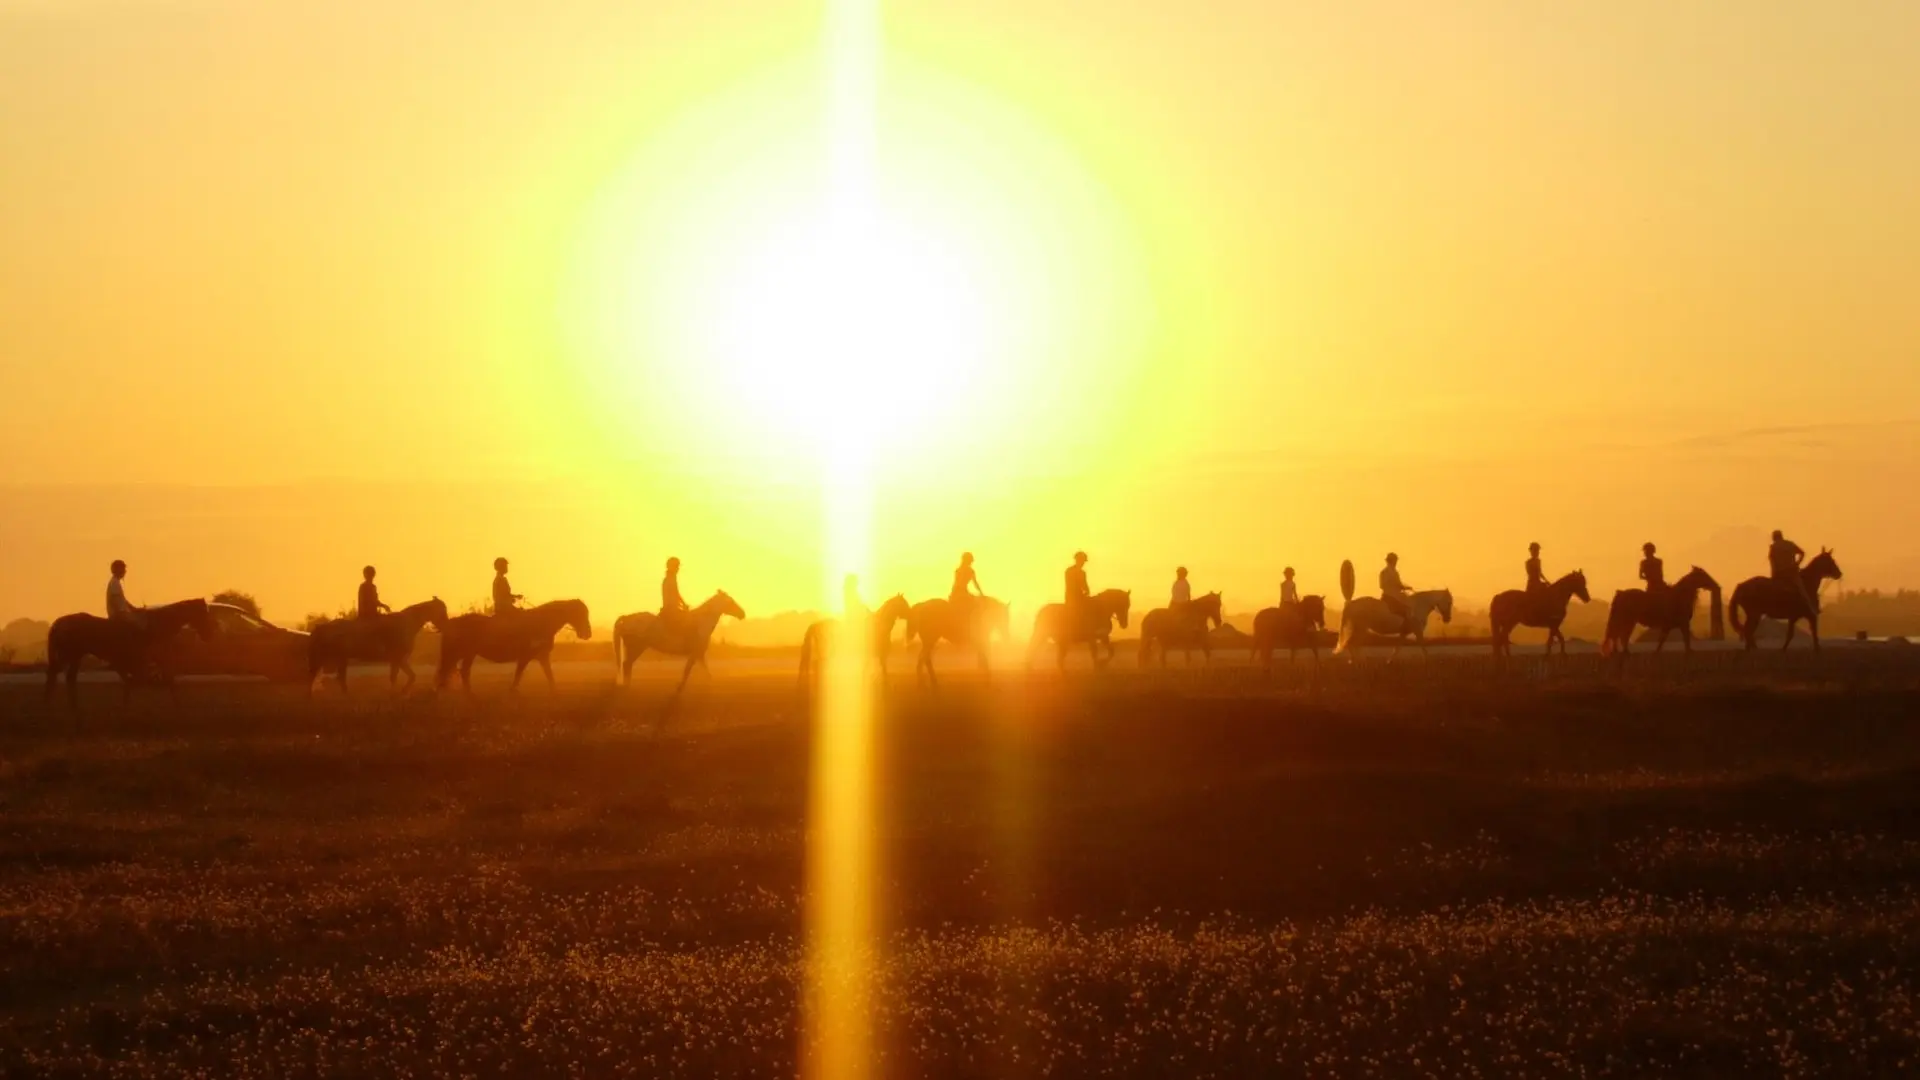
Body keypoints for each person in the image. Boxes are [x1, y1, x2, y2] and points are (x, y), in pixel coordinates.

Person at [1768, 529, 1812, 612]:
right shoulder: (1789, 544)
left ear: (1774, 537)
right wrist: (1797, 563)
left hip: (1779, 574)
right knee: (1802, 589)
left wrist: (1773, 575)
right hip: (1791, 573)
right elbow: (1802, 553)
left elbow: (1772, 561)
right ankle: (1809, 606)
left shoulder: (1773, 547)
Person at [106, 559, 144, 627]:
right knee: (141, 623)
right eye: (123, 568)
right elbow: (120, 606)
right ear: (118, 569)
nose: (125, 571)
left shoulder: (115, 582)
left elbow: (123, 601)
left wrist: (134, 609)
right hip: (118, 616)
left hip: (120, 614)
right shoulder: (114, 583)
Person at [1065, 551, 1091, 635]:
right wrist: (1080, 594)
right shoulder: (1069, 571)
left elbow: (1085, 585)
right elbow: (1070, 586)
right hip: (1072, 597)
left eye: (1083, 561)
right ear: (1077, 560)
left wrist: (1087, 591)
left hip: (1081, 596)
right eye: (1081, 561)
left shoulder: (1083, 573)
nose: (1082, 563)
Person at [1379, 553, 1410, 623]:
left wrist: (1405, 587)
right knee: (1405, 611)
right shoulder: (1387, 572)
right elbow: (1382, 585)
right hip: (1391, 598)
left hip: (1392, 596)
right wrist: (1399, 586)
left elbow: (1398, 585)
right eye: (1395, 561)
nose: (1396, 562)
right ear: (1392, 561)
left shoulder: (1392, 572)